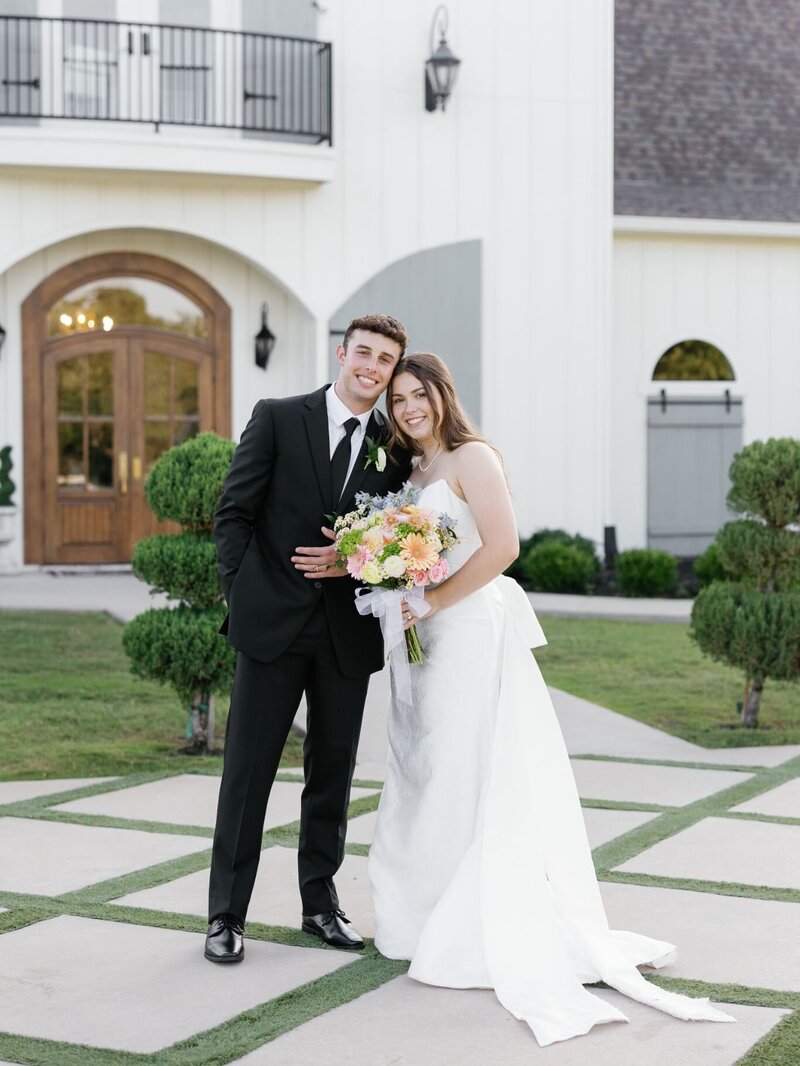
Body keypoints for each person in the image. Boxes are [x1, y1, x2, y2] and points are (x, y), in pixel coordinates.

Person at [368, 352, 735, 1046]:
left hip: (470, 630)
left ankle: (469, 917)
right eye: (399, 398)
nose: (410, 407)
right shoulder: (411, 472)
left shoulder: (474, 458)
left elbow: (503, 546)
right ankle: (419, 912)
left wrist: (436, 600)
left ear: (442, 395)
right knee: (426, 767)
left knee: (463, 765)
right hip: (422, 639)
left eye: (419, 394)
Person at [206, 314, 411, 963]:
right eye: (365, 353)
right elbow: (234, 512)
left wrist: (358, 562)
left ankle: (320, 904)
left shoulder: (394, 446)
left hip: (345, 635)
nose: (372, 368)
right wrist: (242, 592)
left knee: (333, 774)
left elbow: (400, 546)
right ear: (341, 352)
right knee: (248, 774)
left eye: (385, 361)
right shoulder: (277, 416)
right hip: (271, 627)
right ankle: (225, 916)